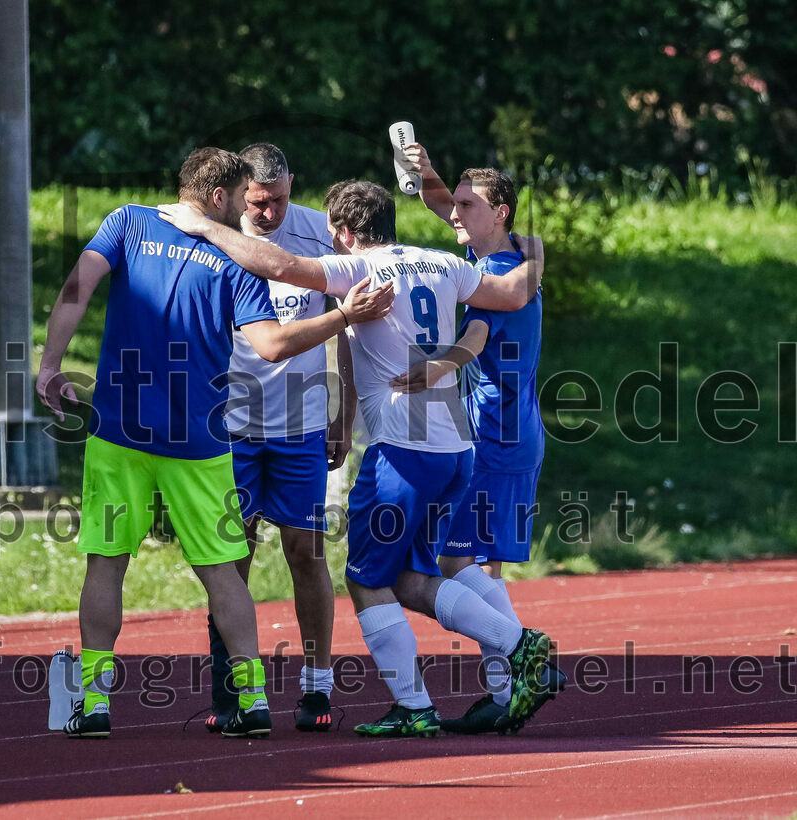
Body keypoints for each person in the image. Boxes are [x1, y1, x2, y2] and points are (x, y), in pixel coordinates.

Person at [159, 179, 554, 737]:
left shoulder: (357, 270)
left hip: (404, 450)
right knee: (415, 579)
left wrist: (205, 226)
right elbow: (513, 295)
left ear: (343, 233)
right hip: (456, 451)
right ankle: (508, 657)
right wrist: (535, 253)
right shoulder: (443, 263)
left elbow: (282, 266)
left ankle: (467, 678)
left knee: (366, 579)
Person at [36, 148, 393, 740]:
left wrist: (51, 363)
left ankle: (95, 700)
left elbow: (77, 289)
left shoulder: (127, 221)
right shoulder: (233, 262)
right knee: (225, 572)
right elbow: (274, 345)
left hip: (120, 430)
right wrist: (342, 317)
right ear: (226, 195)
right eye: (246, 199)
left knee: (108, 563)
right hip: (203, 440)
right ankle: (250, 701)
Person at [392, 146, 566, 734]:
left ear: (502, 212)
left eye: (469, 205)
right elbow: (446, 204)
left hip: (493, 433)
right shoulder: (507, 252)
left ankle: (522, 660)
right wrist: (426, 171)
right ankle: (508, 685)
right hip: (516, 430)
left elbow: (474, 336)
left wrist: (431, 372)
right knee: (482, 564)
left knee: (452, 559)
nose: (454, 213)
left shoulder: (492, 274)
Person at [204, 143, 355, 733]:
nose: (268, 214)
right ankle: (233, 689)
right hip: (232, 427)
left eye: (279, 201)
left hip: (300, 427)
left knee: (306, 552)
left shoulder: (320, 234)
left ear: (294, 183)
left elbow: (349, 328)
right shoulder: (215, 235)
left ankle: (316, 688)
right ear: (239, 190)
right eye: (258, 203)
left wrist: (343, 415)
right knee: (229, 559)